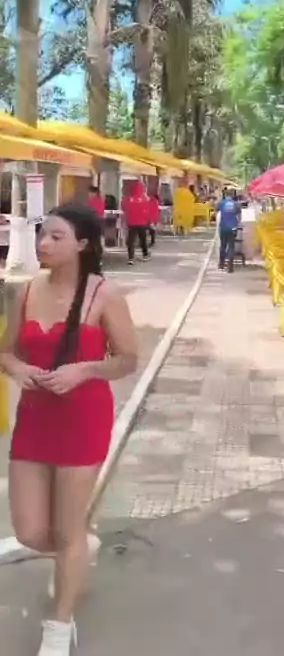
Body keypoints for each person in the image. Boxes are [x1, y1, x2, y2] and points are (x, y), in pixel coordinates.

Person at [0, 204, 138, 656]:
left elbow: (128, 359)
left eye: (56, 237)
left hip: (83, 421)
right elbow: (6, 351)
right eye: (43, 234)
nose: (43, 243)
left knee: (68, 530)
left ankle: (60, 622)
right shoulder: (26, 290)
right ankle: (80, 550)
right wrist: (17, 367)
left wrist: (85, 370)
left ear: (82, 244)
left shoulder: (104, 294)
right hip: (35, 419)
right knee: (30, 531)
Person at [121, 180, 151, 265]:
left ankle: (131, 258)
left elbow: (124, 207)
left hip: (131, 223)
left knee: (131, 241)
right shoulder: (145, 199)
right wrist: (149, 221)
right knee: (143, 239)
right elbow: (148, 211)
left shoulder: (129, 199)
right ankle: (145, 255)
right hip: (142, 223)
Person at [217, 188, 241, 273]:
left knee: (223, 246)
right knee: (231, 246)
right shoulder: (236, 204)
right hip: (233, 228)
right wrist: (237, 225)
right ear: (232, 195)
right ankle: (230, 267)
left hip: (223, 227)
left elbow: (218, 213)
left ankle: (221, 265)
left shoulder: (221, 203)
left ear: (225, 195)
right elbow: (239, 217)